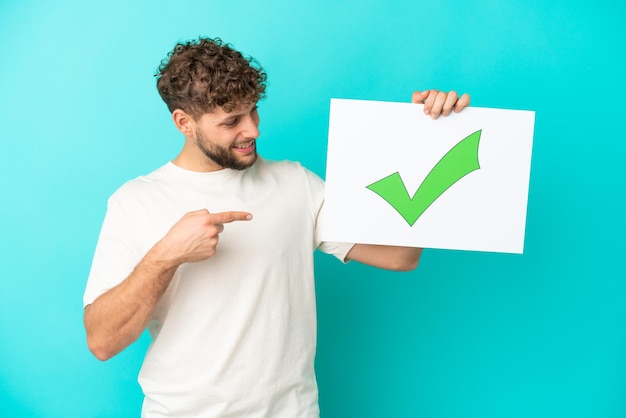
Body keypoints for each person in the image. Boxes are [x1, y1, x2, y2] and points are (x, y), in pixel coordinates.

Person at [83, 37, 470, 417]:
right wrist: (165, 256)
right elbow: (102, 341)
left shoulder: (296, 184)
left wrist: (426, 138)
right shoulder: (135, 201)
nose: (253, 130)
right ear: (184, 122)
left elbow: (402, 256)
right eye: (232, 121)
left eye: (253, 112)